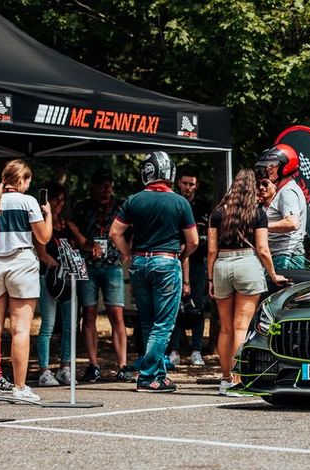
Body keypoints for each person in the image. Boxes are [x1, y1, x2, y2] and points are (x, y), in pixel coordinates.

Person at [109, 151, 198, 393]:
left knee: (148, 322)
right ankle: (148, 377)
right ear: (170, 173)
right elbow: (193, 241)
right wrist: (181, 256)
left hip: (139, 264)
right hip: (166, 262)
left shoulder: (133, 200)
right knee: (164, 324)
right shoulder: (180, 202)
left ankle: (159, 374)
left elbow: (115, 232)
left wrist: (127, 254)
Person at [208, 169, 287, 395]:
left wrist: (210, 278)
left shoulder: (217, 213)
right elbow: (262, 249)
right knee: (241, 326)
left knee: (225, 328)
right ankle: (237, 379)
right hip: (247, 264)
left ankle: (224, 379)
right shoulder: (257, 213)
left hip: (222, 264)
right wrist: (273, 275)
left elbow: (211, 250)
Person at [0, 159, 52, 402]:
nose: (28, 185)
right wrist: (48, 216)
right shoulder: (28, 202)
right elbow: (43, 237)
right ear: (20, 180)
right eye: (28, 180)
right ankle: (19, 388)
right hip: (21, 264)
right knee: (20, 329)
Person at [72, 170, 132, 382]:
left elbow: (132, 228)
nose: (105, 189)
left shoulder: (121, 205)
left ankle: (123, 365)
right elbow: (70, 224)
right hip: (88, 266)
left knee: (116, 314)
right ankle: (93, 364)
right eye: (101, 185)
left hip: (112, 265)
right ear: (93, 186)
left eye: (108, 184)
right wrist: (85, 244)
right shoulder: (82, 207)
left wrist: (126, 250)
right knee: (88, 314)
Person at [34, 182, 85, 387]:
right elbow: (41, 252)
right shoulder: (40, 223)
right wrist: (58, 265)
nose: (58, 204)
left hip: (69, 279)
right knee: (47, 325)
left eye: (62, 200)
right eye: (55, 200)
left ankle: (65, 367)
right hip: (49, 278)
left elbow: (83, 243)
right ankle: (44, 370)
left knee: (70, 325)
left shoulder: (67, 225)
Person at [168, 169, 209, 367]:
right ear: (178, 183)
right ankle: (174, 350)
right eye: (185, 183)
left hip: (197, 261)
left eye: (191, 184)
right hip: (175, 259)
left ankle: (197, 350)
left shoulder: (203, 207)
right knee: (175, 304)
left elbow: (210, 237)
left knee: (197, 307)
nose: (188, 188)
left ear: (196, 185)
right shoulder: (173, 203)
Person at [254, 144, 308, 269]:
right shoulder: (284, 190)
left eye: (273, 165)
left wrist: (262, 226)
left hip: (286, 257)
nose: (269, 169)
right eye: (268, 166)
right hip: (282, 256)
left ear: (285, 167)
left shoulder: (287, 192)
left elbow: (292, 223)